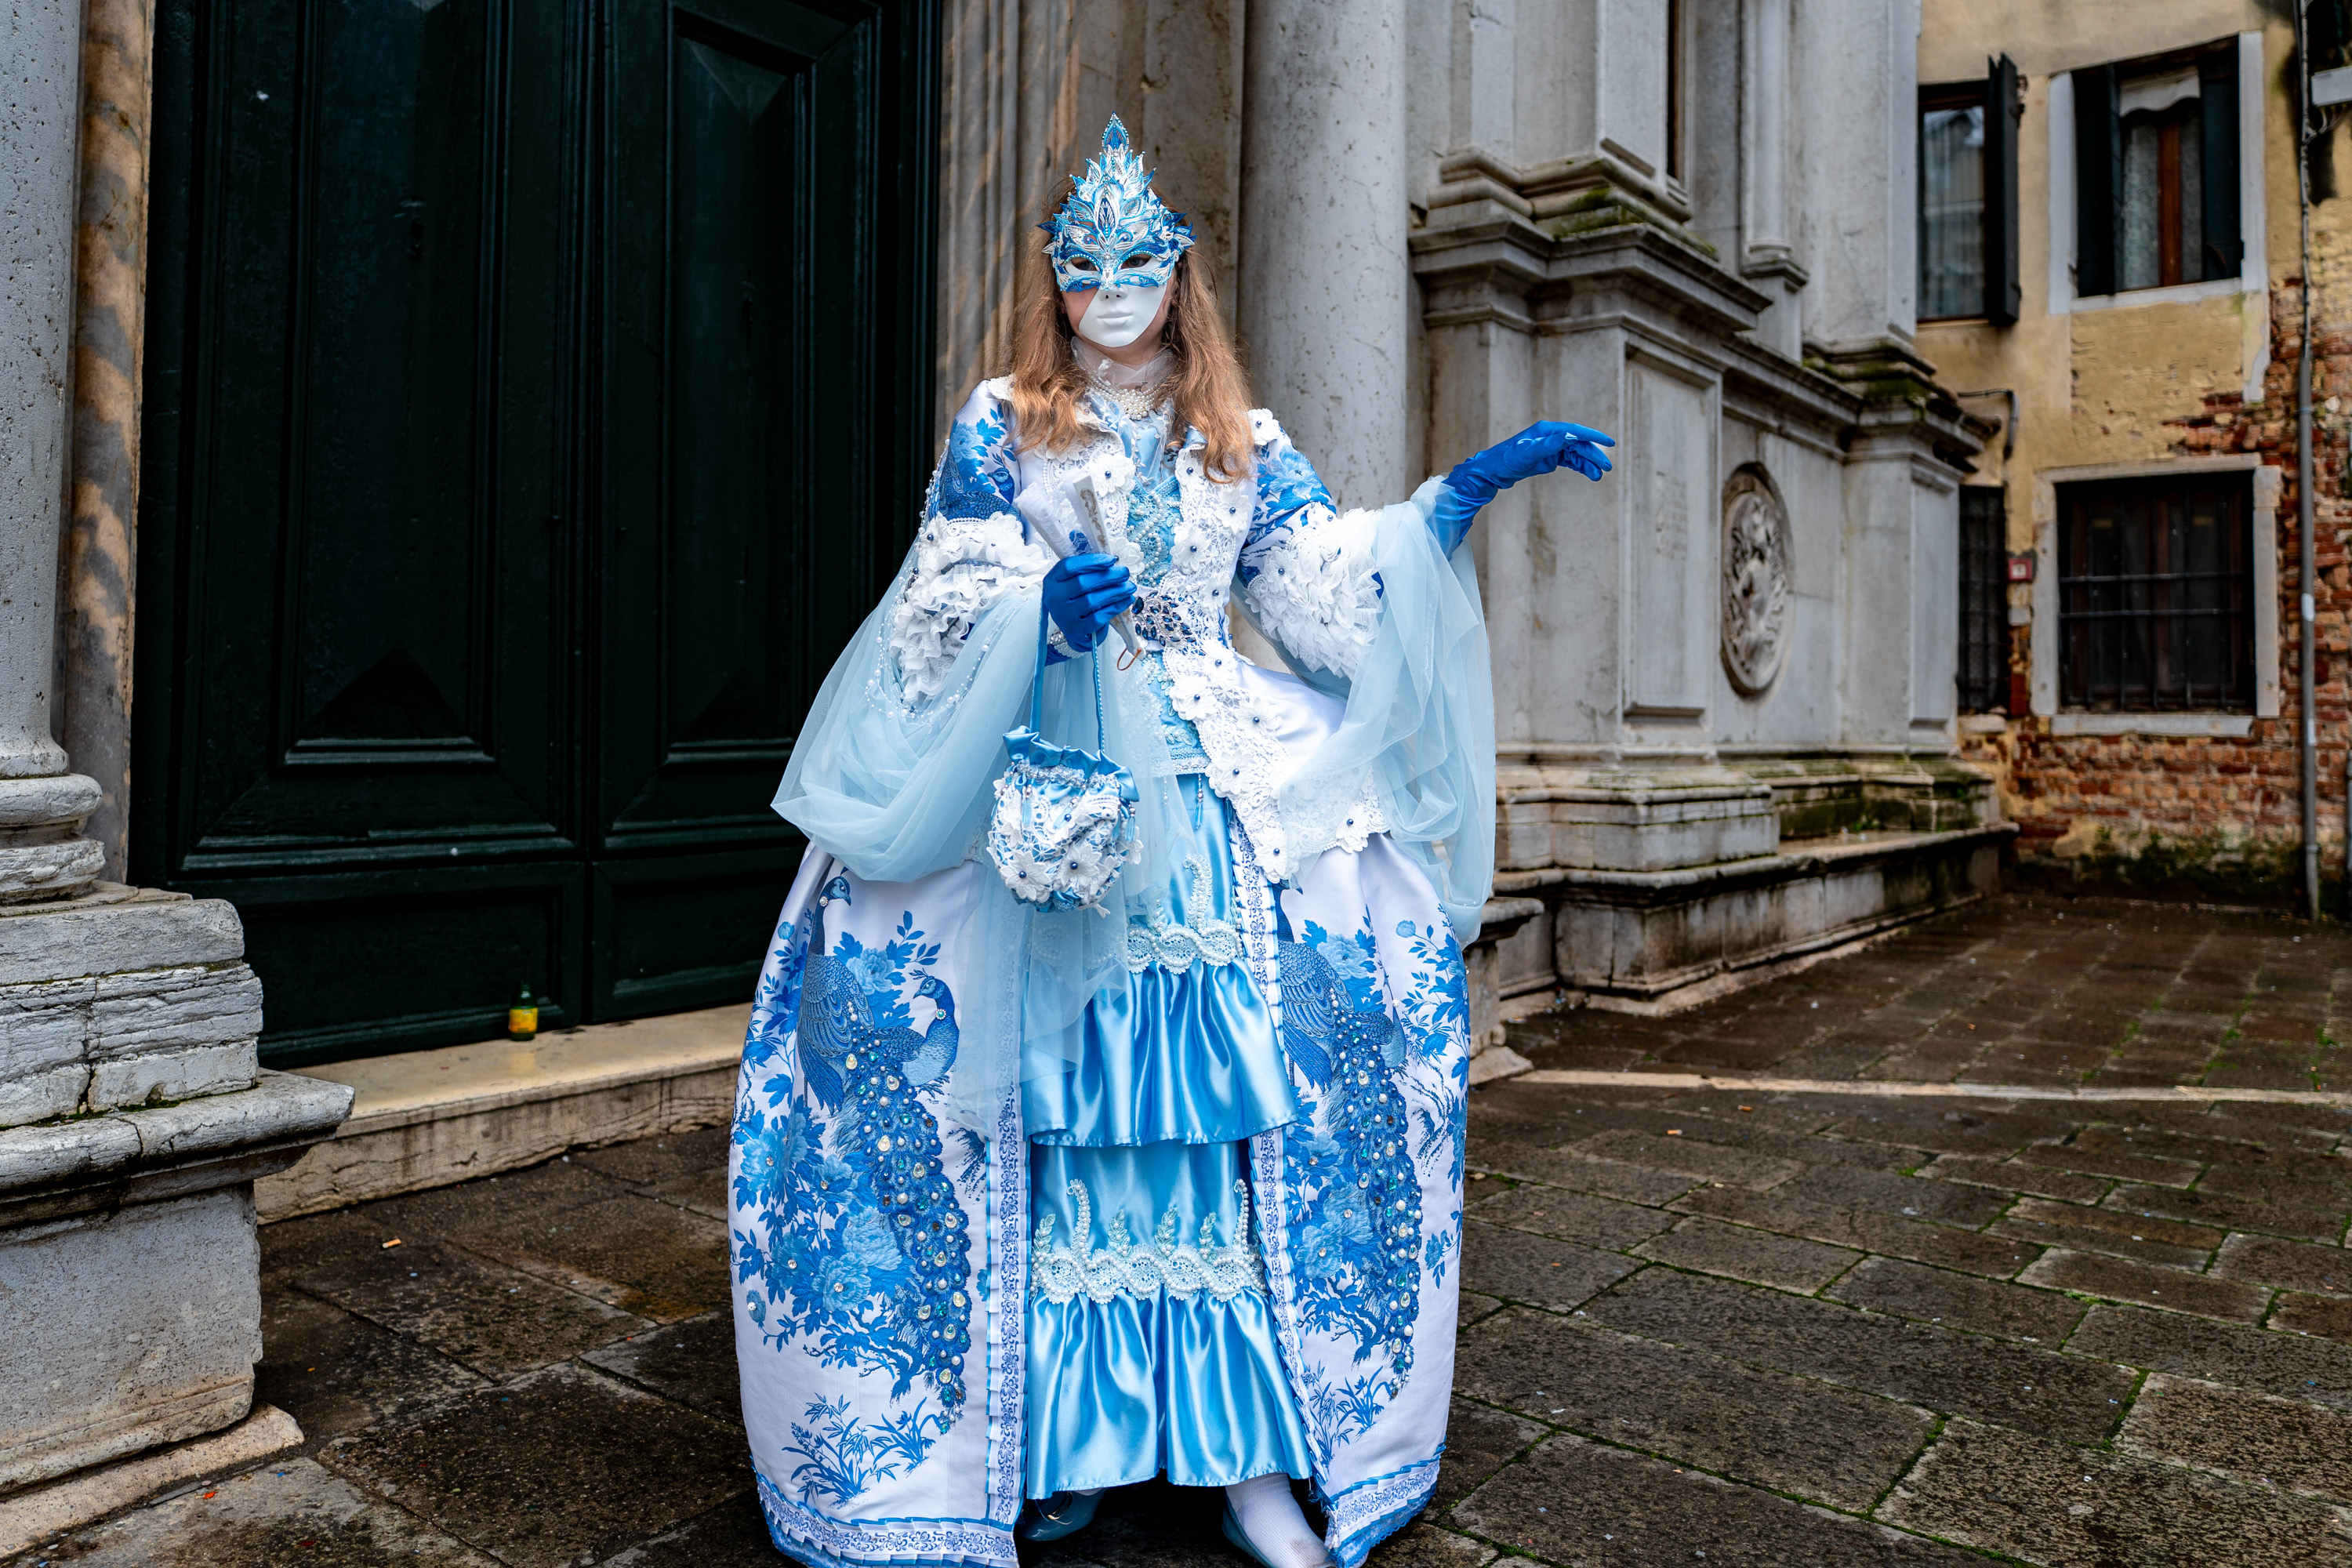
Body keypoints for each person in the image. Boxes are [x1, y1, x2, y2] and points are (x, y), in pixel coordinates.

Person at [728, 117, 1611, 1568]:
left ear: (1180, 275)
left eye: (1136, 264)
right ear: (1054, 281)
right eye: (1082, 268)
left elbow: (1313, 584)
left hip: (1214, 796)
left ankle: (1247, 1459)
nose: (1108, 290)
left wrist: (1449, 503)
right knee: (1063, 1108)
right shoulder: (1001, 421)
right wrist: (1037, 616)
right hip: (1052, 783)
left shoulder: (1238, 438)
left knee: (1205, 1118)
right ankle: (1058, 1442)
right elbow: (941, 593)